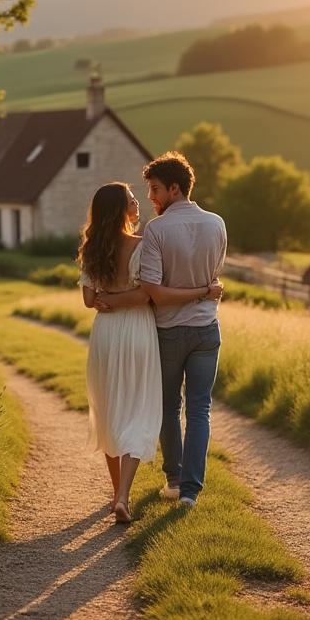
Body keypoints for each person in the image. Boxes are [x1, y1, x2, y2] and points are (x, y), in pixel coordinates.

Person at [76, 181, 222, 522]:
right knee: (138, 410)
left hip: (106, 335)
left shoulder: (91, 249)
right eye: (131, 199)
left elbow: (88, 301)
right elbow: (145, 296)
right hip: (138, 330)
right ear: (120, 210)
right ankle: (124, 496)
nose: (138, 202)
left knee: (110, 410)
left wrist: (105, 300)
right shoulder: (141, 245)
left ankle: (117, 495)